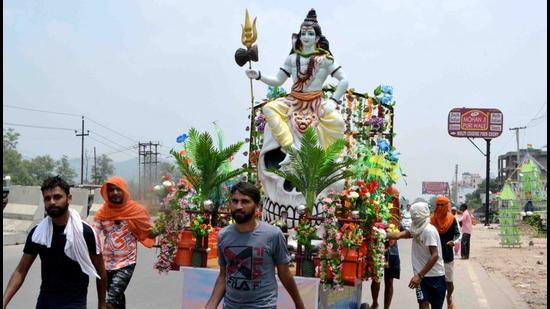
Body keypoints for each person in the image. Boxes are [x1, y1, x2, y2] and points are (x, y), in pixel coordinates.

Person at [246, 9, 348, 162]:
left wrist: (333, 101)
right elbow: (278, 81)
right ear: (299, 36)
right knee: (268, 108)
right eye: (303, 33)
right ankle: (290, 148)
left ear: (318, 37)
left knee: (338, 121)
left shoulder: (326, 59)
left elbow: (344, 80)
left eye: (311, 34)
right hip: (294, 101)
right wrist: (259, 76)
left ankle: (333, 159)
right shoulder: (292, 59)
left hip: (316, 102)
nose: (306, 37)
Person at [3, 176, 107, 309]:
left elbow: (101, 273)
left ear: (69, 198)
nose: (52, 202)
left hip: (74, 302)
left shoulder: (85, 232)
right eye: (47, 198)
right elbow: (20, 271)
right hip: (45, 301)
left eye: (57, 197)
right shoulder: (38, 233)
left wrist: (102, 305)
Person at [205, 182, 305, 309]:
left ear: (257, 206)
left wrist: (299, 304)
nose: (239, 206)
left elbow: (285, 274)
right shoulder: (223, 235)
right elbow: (223, 275)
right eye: (235, 201)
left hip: (263, 306)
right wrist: (211, 305)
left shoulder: (273, 235)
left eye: (245, 201)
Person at [93, 176, 156, 309]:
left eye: (118, 189)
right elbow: (92, 234)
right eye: (111, 190)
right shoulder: (102, 212)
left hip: (126, 263)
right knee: (118, 300)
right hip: (106, 264)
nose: (115, 193)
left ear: (124, 191)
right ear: (106, 192)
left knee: (110, 301)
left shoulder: (135, 210)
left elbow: (148, 231)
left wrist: (164, 228)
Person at [387, 202, 446, 309]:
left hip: (435, 276)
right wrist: (382, 234)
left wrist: (419, 275)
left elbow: (435, 255)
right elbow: (398, 235)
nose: (414, 217)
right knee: (423, 304)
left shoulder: (429, 231)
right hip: (422, 279)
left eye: (415, 215)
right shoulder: (415, 229)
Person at [431, 196, 461, 309]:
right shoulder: (432, 220)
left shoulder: (452, 219)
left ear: (447, 206)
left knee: (449, 282)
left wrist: (454, 241)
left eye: (442, 205)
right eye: (437, 204)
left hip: (448, 255)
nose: (439, 207)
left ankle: (449, 297)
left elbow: (458, 234)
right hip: (434, 256)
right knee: (435, 281)